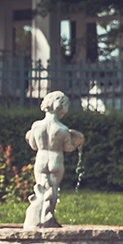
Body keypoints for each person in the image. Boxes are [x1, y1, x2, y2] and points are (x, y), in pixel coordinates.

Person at [23, 90, 84, 229]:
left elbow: (33, 145)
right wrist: (77, 140)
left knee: (40, 187)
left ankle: (36, 218)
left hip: (41, 159)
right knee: (53, 189)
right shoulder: (62, 129)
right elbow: (68, 148)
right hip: (56, 160)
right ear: (62, 107)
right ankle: (47, 217)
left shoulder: (36, 126)